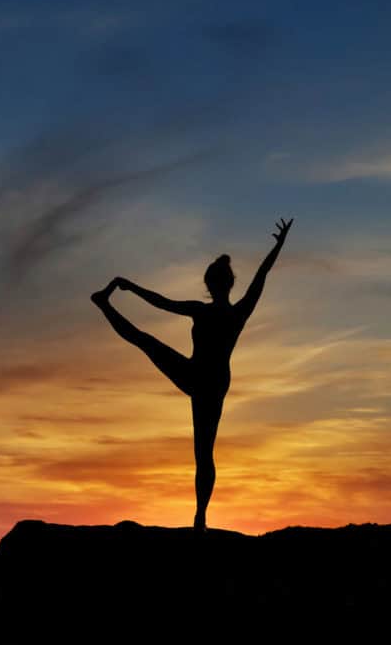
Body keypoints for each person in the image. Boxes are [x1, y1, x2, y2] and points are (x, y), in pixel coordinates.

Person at [91, 217, 293, 532]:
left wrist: (130, 287)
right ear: (225, 285)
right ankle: (200, 516)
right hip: (204, 379)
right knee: (203, 452)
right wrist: (278, 246)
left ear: (212, 285)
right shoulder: (234, 312)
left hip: (202, 380)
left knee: (144, 341)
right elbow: (261, 275)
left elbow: (162, 302)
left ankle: (104, 305)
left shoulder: (211, 311)